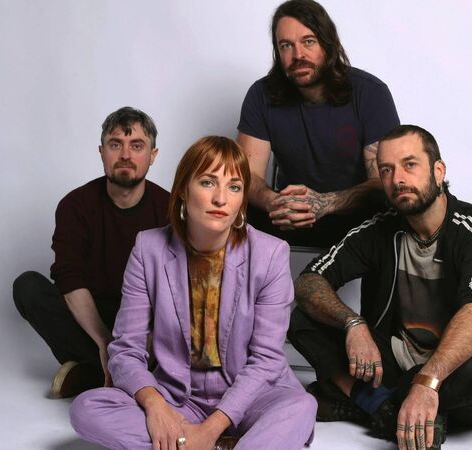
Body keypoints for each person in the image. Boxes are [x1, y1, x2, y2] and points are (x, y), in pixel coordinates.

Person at [288, 125, 472, 450]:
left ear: (439, 171)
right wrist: (353, 323)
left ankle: (373, 402)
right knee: (302, 317)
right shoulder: (380, 229)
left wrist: (427, 381)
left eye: (410, 164)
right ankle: (390, 411)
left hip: (459, 372)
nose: (398, 179)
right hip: (397, 364)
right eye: (386, 170)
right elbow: (310, 279)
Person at [69, 136, 316, 450]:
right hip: (179, 399)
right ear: (183, 189)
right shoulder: (148, 249)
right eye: (208, 182)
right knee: (87, 408)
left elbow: (266, 360)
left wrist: (210, 429)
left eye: (234, 187)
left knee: (301, 407)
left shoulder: (270, 254)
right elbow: (126, 350)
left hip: (253, 397)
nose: (221, 199)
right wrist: (156, 407)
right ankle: (223, 444)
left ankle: (199, 442)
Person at [13, 107, 170, 398]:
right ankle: (114, 372)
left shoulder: (170, 209)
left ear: (153, 155)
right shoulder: (75, 205)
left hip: (144, 323)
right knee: (27, 286)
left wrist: (146, 341)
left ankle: (91, 375)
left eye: (137, 146)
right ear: (101, 152)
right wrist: (104, 342)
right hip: (90, 318)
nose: (125, 155)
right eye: (115, 144)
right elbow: (69, 277)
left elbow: (175, 291)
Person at [237, 0, 400, 248]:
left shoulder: (369, 92)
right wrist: (274, 202)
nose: (298, 55)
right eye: (286, 45)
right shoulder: (261, 95)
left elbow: (384, 181)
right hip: (290, 214)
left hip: (356, 215)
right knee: (229, 206)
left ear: (328, 43)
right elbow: (245, 174)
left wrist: (325, 203)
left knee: (397, 207)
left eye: (308, 41)